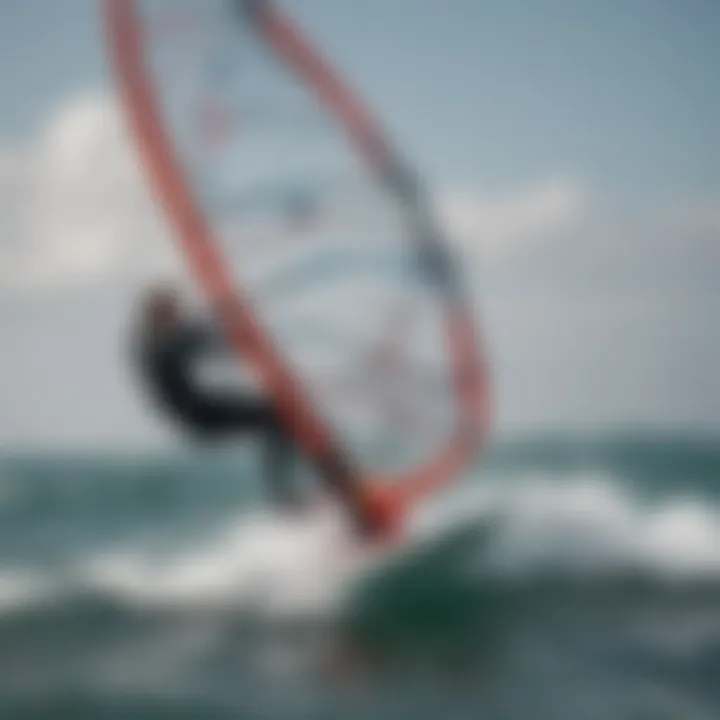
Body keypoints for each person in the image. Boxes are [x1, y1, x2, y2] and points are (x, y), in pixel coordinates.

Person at [132, 285, 300, 511]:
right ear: (162, 315)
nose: (179, 316)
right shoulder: (159, 347)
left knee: (277, 415)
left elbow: (198, 338)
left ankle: (287, 492)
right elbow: (192, 342)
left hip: (199, 411)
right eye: (174, 312)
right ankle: (283, 496)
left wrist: (228, 322)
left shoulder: (155, 342)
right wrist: (232, 324)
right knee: (277, 419)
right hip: (200, 415)